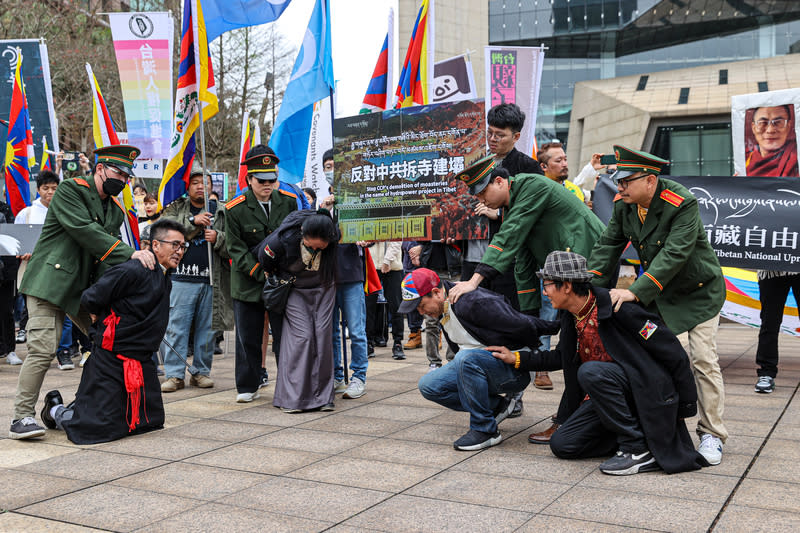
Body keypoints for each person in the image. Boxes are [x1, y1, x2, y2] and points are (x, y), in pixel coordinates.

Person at [491, 251, 707, 475]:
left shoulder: (617, 307)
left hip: (642, 391)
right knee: (562, 445)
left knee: (591, 371)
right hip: (605, 397)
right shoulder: (571, 315)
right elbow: (560, 357)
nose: (544, 292)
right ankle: (641, 437)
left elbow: (673, 351)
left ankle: (638, 448)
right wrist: (515, 358)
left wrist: (685, 405)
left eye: (546, 285)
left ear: (566, 286)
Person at [588, 144, 728, 466]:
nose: (619, 187)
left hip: (698, 292)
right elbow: (609, 243)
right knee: (665, 360)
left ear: (650, 180)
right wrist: (591, 285)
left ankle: (712, 434)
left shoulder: (681, 203)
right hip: (662, 296)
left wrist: (635, 292)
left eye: (626, 182)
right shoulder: (627, 204)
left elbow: (674, 254)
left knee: (703, 360)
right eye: (618, 181)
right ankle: (665, 430)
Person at [10, 145, 155, 439]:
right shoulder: (70, 190)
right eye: (118, 173)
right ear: (100, 168)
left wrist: (105, 297)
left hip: (81, 290)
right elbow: (84, 230)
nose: (123, 181)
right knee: (42, 348)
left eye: (127, 176)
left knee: (108, 340)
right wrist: (131, 254)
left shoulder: (114, 208)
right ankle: (21, 417)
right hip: (49, 283)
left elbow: (103, 257)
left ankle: (89, 404)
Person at [39, 219, 186, 444]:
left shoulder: (164, 275)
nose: (179, 251)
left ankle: (80, 405)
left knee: (147, 423)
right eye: (174, 245)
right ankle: (54, 411)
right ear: (155, 245)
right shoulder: (133, 269)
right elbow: (90, 297)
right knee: (96, 428)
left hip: (141, 361)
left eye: (183, 247)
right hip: (110, 360)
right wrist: (100, 314)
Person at [413, 268, 558, 450]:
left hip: (513, 367)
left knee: (465, 358)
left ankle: (485, 430)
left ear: (436, 293)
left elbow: (521, 323)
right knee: (429, 385)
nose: (421, 313)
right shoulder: (442, 308)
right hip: (476, 363)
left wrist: (557, 327)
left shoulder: (472, 302)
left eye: (421, 306)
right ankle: (498, 407)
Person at [225, 146, 297, 402]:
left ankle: (289, 383)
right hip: (248, 281)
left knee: (284, 336)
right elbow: (235, 248)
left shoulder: (288, 201)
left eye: (272, 180)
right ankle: (248, 384)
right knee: (248, 337)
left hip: (280, 280)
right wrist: (260, 272)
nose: (268, 185)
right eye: (261, 180)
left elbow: (292, 239)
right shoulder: (234, 209)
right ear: (249, 179)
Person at [257, 209, 339, 412]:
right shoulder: (281, 240)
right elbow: (264, 258)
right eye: (312, 244)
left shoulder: (334, 235)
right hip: (294, 288)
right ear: (303, 233)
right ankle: (293, 398)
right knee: (302, 338)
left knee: (322, 337)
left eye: (322, 245)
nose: (317, 248)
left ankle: (323, 397)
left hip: (324, 287)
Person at [159, 162, 221, 392]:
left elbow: (232, 239)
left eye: (205, 183)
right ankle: (174, 375)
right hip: (182, 279)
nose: (200, 187)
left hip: (212, 279)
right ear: (188, 186)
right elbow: (163, 231)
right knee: (177, 328)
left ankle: (201, 372)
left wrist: (218, 237)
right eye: (194, 183)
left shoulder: (221, 209)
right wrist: (193, 222)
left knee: (208, 330)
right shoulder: (177, 207)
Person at [10, 171, 61, 366]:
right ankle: (37, 350)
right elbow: (17, 240)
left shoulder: (63, 210)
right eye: (45, 188)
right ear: (38, 189)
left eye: (54, 189)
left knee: (57, 312)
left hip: (57, 269)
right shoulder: (27, 213)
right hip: (32, 270)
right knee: (34, 311)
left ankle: (59, 349)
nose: (50, 192)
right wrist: (22, 252)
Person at [745, 105, 798, 177]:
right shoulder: (745, 160)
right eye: (763, 123)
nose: (770, 130)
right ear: (753, 128)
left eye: (778, 122)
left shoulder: (796, 158)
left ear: (788, 127)